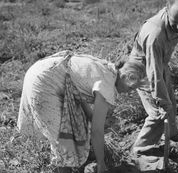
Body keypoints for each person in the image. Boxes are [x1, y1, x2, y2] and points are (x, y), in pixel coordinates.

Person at [17, 50, 146, 173]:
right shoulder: (107, 84)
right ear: (125, 76)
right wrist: (101, 163)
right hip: (44, 82)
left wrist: (91, 119)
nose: (130, 91)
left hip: (42, 69)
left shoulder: (107, 69)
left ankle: (74, 164)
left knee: (74, 131)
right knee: (64, 142)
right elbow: (97, 131)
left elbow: (80, 92)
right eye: (132, 87)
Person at [118, 0, 178, 171]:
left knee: (171, 103)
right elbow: (153, 73)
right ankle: (140, 151)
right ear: (167, 10)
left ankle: (172, 137)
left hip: (159, 63)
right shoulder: (155, 34)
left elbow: (158, 68)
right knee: (158, 113)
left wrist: (166, 99)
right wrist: (161, 100)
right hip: (141, 69)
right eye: (175, 23)